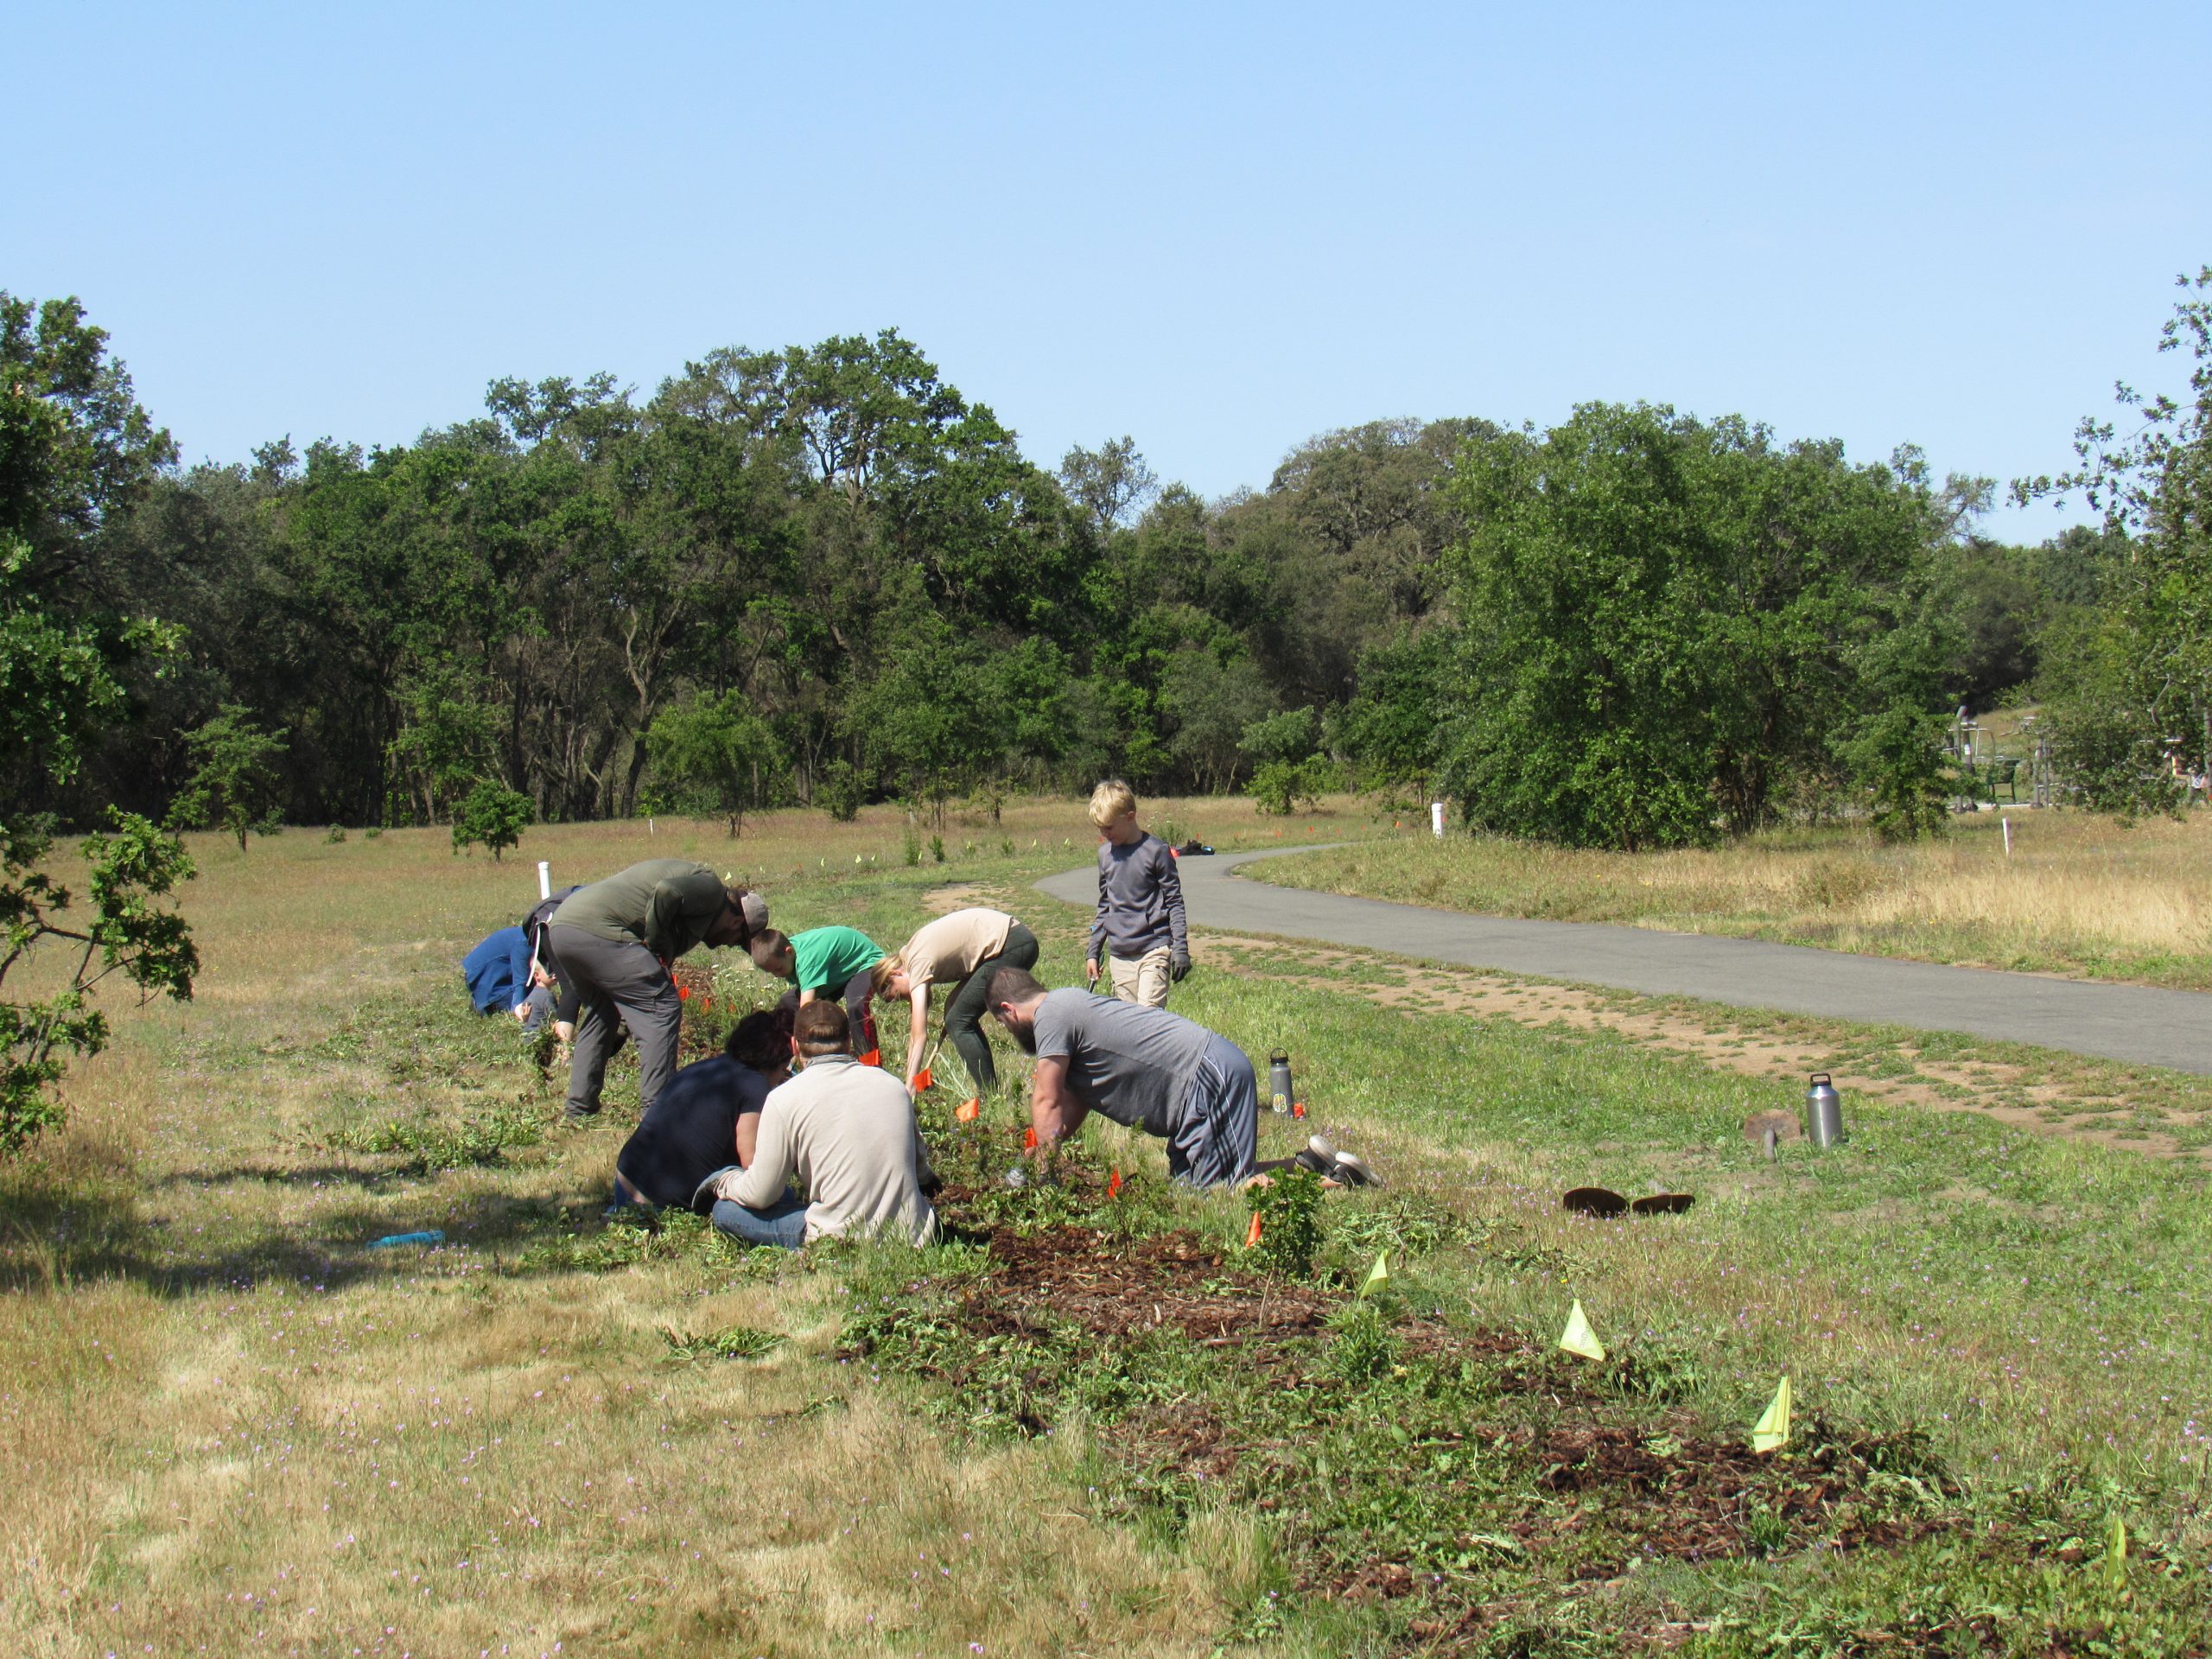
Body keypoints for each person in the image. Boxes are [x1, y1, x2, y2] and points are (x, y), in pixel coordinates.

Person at [986, 966, 1378, 1191]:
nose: (1010, 1032)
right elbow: (1064, 1113)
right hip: (1202, 1084)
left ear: (1008, 1010)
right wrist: (1039, 1156)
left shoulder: (1054, 1013)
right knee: (1190, 1189)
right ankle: (1310, 1166)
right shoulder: (1069, 1012)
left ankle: (1341, 1186)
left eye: (1002, 1024)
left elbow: (1046, 1100)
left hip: (1208, 1079)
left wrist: (1042, 1178)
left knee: (1220, 1194)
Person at [697, 1001, 938, 1249]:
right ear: (848, 1042)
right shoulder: (893, 1086)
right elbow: (920, 1168)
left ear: (794, 1046)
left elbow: (761, 1194)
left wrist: (724, 1182)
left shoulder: (784, 1099)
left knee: (725, 1211)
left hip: (841, 1238)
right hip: (913, 1233)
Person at [545, 860, 766, 1121]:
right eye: (737, 942)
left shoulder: (692, 919)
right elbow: (667, 891)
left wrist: (622, 1029)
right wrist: (656, 942)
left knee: (602, 1011)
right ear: (735, 922)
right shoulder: (710, 890)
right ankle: (657, 1116)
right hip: (598, 930)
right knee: (664, 1007)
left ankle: (579, 1111)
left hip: (564, 928)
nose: (728, 947)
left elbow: (640, 990)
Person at [612, 1011, 790, 1210]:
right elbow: (754, 1170)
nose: (782, 1078)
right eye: (784, 1069)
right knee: (777, 1198)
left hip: (625, 1180)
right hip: (661, 1203)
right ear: (773, 1061)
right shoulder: (755, 1086)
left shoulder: (706, 1067)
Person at [873, 906, 1039, 1097]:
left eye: (900, 995)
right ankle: (991, 1092)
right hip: (1010, 940)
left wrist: (909, 1089)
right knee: (955, 1014)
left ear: (896, 973)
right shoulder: (912, 953)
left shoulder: (917, 961)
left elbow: (918, 1035)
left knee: (958, 1021)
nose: (907, 998)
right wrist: (951, 1006)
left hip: (1012, 944)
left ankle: (991, 1096)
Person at [1084, 779, 1189, 1007]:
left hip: (1154, 949)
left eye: (1109, 827)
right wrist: (1093, 951)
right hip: (1120, 956)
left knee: (1148, 1022)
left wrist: (1180, 949)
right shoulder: (1105, 855)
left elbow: (1174, 902)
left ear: (1130, 817)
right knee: (1130, 1030)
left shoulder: (1156, 851)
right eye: (1100, 828)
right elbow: (1105, 906)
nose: (1104, 833)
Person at [749, 925, 886, 1059]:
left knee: (856, 1006)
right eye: (771, 972)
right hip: (836, 971)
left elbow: (806, 1009)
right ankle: (783, 1059)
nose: (777, 975)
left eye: (778, 969)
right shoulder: (785, 953)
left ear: (789, 951)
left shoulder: (808, 960)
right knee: (787, 1003)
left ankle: (870, 1061)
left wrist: (801, 1042)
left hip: (863, 964)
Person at [521, 883, 584, 1046]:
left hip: (546, 920)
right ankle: (562, 1053)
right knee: (571, 985)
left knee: (573, 986)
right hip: (551, 920)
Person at [461, 925, 556, 1032]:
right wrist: (520, 1011)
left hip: (499, 968)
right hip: (480, 974)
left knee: (535, 995)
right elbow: (521, 982)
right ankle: (484, 1004)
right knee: (532, 1006)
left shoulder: (533, 935)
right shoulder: (524, 943)